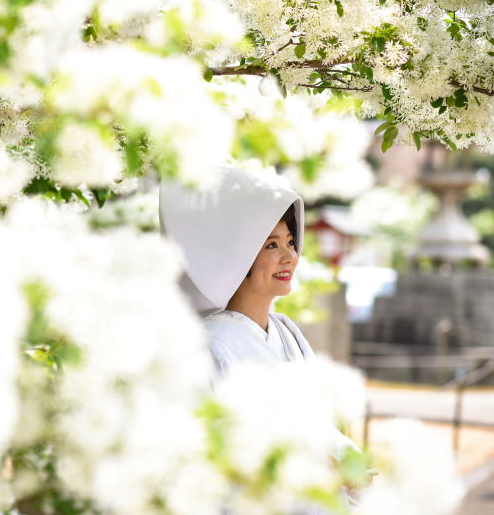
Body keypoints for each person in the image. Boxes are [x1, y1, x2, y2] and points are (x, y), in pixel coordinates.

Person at [159, 164, 372, 508]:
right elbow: (211, 458)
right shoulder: (212, 348)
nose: (290, 255)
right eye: (271, 245)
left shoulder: (288, 333)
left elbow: (319, 426)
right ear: (235, 257)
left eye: (290, 241)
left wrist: (347, 459)